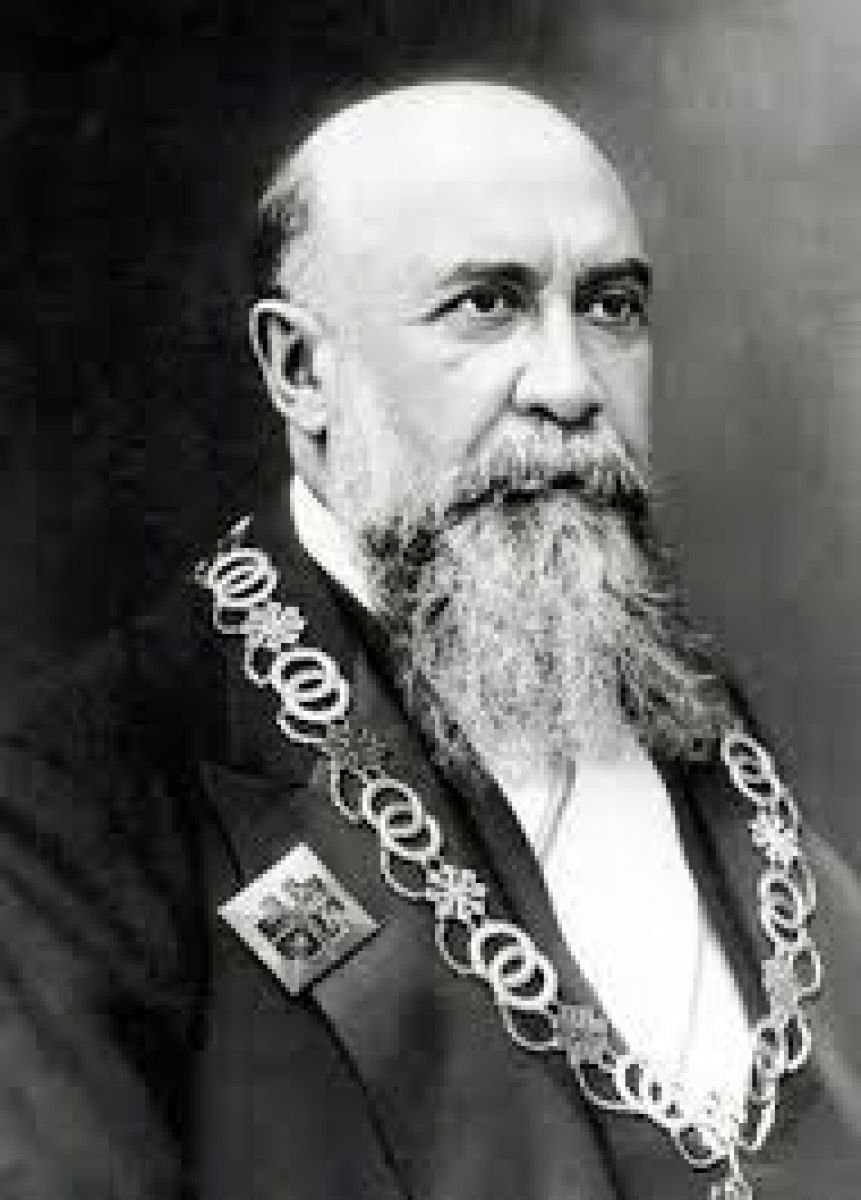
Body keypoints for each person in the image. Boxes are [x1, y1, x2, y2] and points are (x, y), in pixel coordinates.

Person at [2, 80, 860, 1200]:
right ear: (301, 370)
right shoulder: (74, 802)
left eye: (610, 307)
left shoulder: (693, 705)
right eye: (486, 305)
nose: (569, 387)